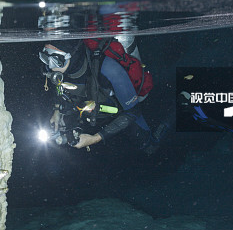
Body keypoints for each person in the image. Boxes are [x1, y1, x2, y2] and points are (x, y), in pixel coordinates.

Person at [39, 39, 167, 152]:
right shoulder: (59, 71)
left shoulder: (109, 69)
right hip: (95, 117)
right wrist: (57, 111)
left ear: (72, 56)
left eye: (56, 60)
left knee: (149, 146)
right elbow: (60, 90)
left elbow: (133, 111)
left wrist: (96, 138)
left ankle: (170, 117)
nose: (50, 67)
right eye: (46, 58)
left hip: (123, 115)